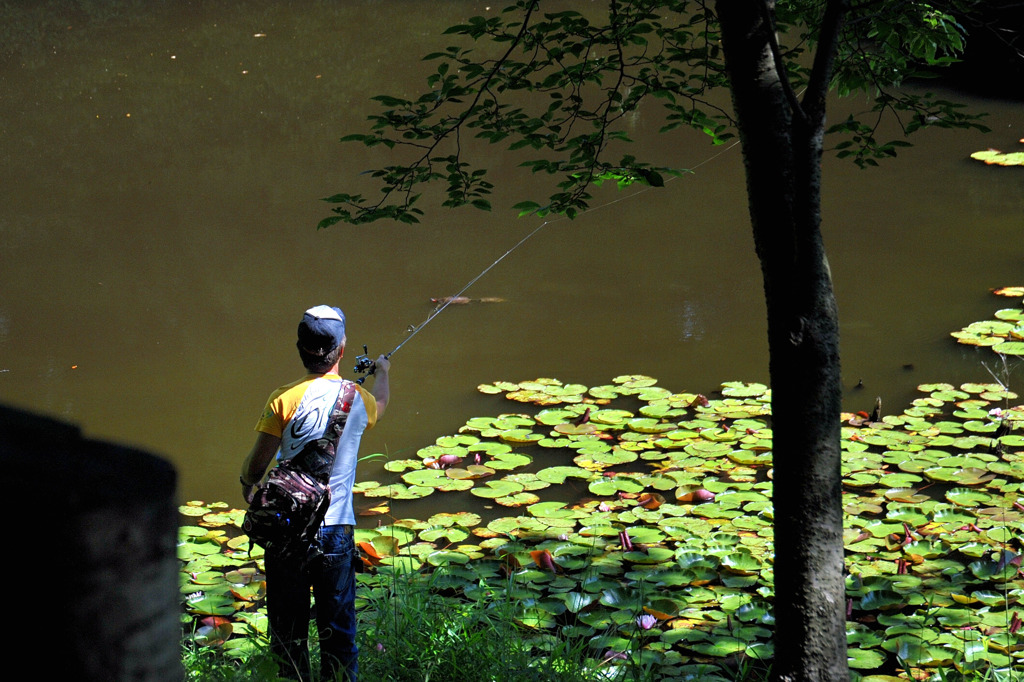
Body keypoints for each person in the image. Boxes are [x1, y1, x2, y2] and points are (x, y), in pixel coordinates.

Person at [240, 305, 390, 681]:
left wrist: (247, 484)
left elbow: (255, 468)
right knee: (339, 635)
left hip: (287, 527)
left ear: (300, 348)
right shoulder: (358, 399)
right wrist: (383, 373)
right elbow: (382, 405)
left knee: (288, 637)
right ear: (342, 350)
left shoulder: (282, 399)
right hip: (335, 529)